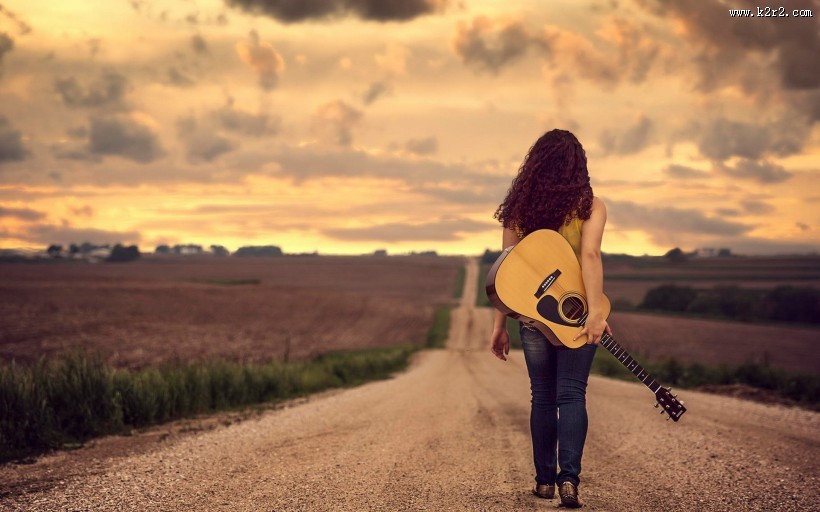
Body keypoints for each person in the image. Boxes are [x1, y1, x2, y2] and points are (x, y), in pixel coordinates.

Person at [489, 129, 611, 508]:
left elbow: (507, 274)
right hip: (577, 315)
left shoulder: (520, 208)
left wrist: (499, 325)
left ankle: (544, 482)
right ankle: (568, 481)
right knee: (572, 393)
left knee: (542, 397)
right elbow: (589, 257)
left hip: (532, 319)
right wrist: (593, 313)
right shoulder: (590, 206)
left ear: (535, 164)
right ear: (579, 166)